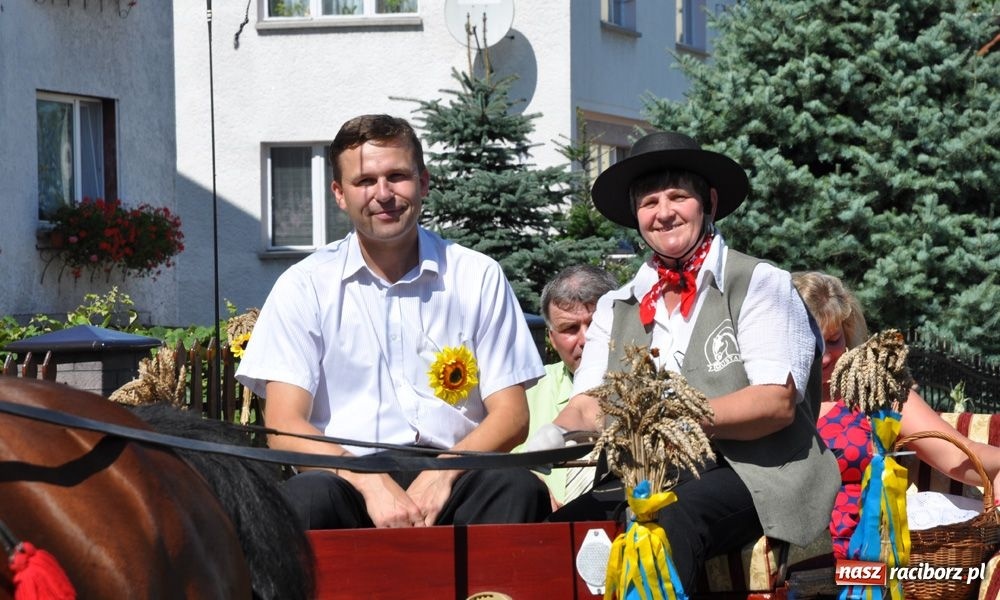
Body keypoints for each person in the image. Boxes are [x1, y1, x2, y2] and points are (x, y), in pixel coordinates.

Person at [531, 130, 840, 590]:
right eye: (649, 202)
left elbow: (776, 403)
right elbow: (589, 404)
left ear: (709, 202)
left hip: (754, 471)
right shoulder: (618, 305)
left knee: (668, 520)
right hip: (652, 475)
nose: (664, 212)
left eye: (678, 196)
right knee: (550, 539)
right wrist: (552, 434)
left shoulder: (757, 281)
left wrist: (667, 421)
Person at [235, 114, 550, 529]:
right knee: (304, 499)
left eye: (397, 176)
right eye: (364, 181)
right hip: (344, 481)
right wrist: (365, 479)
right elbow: (282, 425)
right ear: (339, 194)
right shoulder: (304, 286)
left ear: (423, 183)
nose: (382, 194)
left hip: (458, 474)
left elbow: (512, 416)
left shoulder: (477, 275)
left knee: (517, 489)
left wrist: (443, 471)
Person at [792, 270, 1000, 558]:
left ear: (849, 333)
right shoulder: (770, 397)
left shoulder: (877, 392)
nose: (826, 356)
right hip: (787, 552)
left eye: (834, 340)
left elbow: (956, 457)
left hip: (861, 558)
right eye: (813, 342)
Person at [514, 264, 618, 508]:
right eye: (570, 329)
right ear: (551, 338)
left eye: (595, 324)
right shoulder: (524, 394)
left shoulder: (651, 388)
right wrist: (532, 488)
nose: (586, 340)